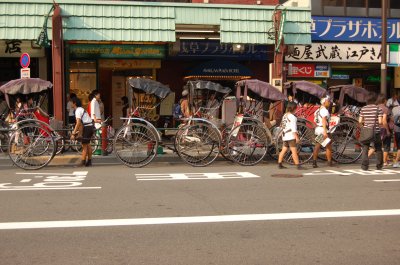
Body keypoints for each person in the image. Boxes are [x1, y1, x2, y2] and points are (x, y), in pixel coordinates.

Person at [359, 92, 383, 171]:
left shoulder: (363, 108)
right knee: (378, 148)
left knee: (365, 148)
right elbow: (380, 122)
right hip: (375, 131)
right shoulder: (378, 108)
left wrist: (366, 125)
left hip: (366, 131)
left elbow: (360, 121)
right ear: (375, 100)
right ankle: (379, 165)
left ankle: (364, 166)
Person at [277, 101, 305, 170]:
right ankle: (298, 165)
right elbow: (293, 128)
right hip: (290, 136)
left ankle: (279, 164)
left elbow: (282, 125)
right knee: (294, 151)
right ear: (294, 108)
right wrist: (297, 138)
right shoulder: (292, 117)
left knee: (284, 150)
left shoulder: (285, 115)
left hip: (285, 135)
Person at [368, 94, 392, 166]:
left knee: (374, 146)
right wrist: (387, 130)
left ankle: (365, 158)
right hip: (383, 129)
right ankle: (384, 161)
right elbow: (384, 121)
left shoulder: (375, 107)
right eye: (386, 100)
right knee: (386, 145)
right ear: (384, 100)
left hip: (374, 129)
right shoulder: (385, 108)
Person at [70, 97, 94, 167]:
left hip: (87, 128)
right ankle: (89, 162)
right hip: (90, 127)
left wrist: (73, 133)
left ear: (74, 103)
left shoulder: (78, 110)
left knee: (84, 146)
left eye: (72, 102)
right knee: (88, 144)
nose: (71, 104)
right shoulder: (82, 109)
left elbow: (78, 123)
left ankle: (83, 162)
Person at [312, 96, 333, 168]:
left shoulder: (317, 111)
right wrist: (325, 131)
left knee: (317, 146)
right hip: (322, 129)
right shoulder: (324, 110)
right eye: (328, 101)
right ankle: (329, 162)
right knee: (328, 146)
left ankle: (314, 162)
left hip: (318, 129)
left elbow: (315, 121)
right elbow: (324, 120)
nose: (329, 103)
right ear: (324, 102)